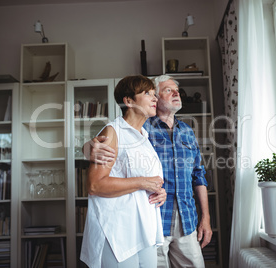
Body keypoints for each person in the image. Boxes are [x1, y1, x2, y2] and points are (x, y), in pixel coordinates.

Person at [84, 75, 212, 268]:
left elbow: (197, 174)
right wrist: (87, 148)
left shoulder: (181, 132)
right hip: (147, 220)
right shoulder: (142, 127)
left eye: (154, 93)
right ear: (130, 100)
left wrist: (205, 218)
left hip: (178, 219)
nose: (176, 93)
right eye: (167, 90)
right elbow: (105, 147)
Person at [80, 75, 167, 268]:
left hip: (144, 230)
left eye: (155, 94)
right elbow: (95, 185)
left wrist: (158, 191)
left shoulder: (144, 136)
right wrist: (142, 182)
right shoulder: (112, 132)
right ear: (128, 101)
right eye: (147, 94)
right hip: (117, 232)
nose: (155, 99)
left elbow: (150, 180)